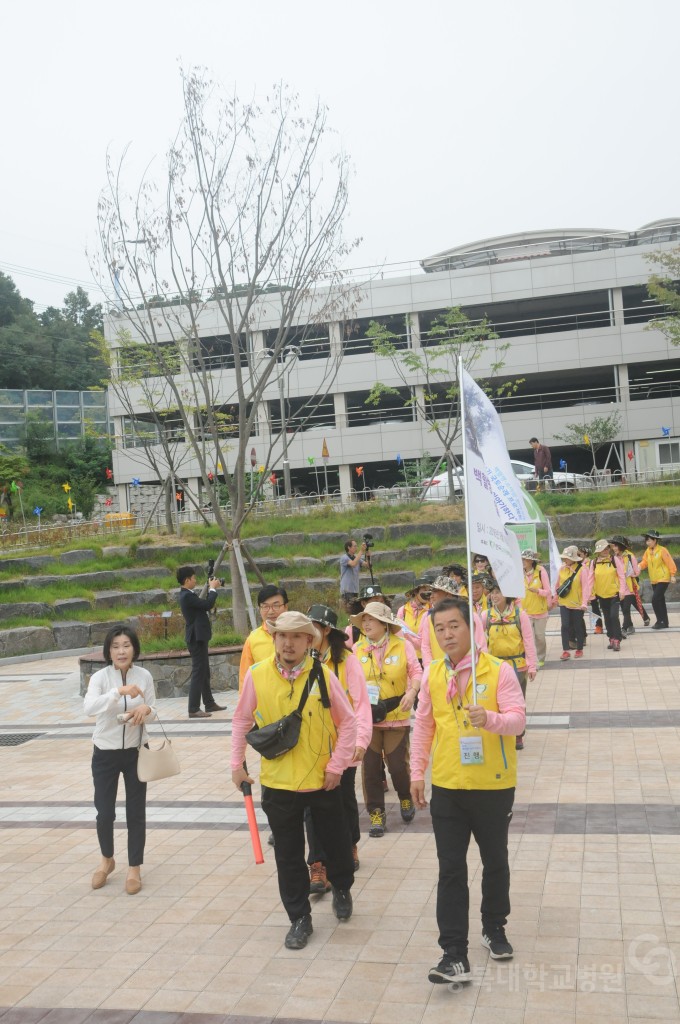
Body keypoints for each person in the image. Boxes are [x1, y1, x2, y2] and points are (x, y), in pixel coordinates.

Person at [410, 597, 525, 985]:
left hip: (492, 787)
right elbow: (424, 726)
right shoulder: (432, 676)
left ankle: (494, 927)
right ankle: (453, 953)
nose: (447, 634)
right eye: (439, 628)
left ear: (470, 626)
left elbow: (518, 721)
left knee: (495, 861)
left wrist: (490, 718)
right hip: (447, 787)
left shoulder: (498, 671)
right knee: (451, 870)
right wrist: (416, 772)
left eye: (454, 625)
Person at [231, 612, 357, 951]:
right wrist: (236, 764)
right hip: (278, 783)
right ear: (273, 639)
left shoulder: (323, 676)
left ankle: (342, 885)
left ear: (308, 642)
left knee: (337, 844)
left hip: (322, 781)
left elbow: (349, 724)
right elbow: (242, 720)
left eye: (297, 636)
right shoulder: (257, 676)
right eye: (282, 636)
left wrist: (337, 766)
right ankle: (299, 917)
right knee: (287, 855)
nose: (288, 643)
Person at [84, 626, 156, 896]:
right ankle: (107, 860)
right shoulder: (100, 678)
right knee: (105, 812)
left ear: (134, 648)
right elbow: (89, 708)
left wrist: (145, 709)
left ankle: (134, 867)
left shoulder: (145, 676)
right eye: (116, 646)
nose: (121, 651)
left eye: (126, 645)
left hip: (137, 750)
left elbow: (153, 708)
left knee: (136, 812)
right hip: (105, 752)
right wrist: (119, 692)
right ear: (109, 651)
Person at [305, 603, 373, 883]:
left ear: (326, 631)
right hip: (311, 747)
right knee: (311, 805)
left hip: (344, 745)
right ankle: (317, 862)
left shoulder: (348, 662)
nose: (306, 635)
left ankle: (349, 845)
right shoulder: (303, 661)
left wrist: (361, 739)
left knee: (344, 800)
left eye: (312, 630)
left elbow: (361, 703)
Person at [351, 601, 422, 837]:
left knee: (398, 766)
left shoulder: (403, 646)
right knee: (370, 769)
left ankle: (405, 797)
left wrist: (412, 693)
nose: (366, 623)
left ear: (384, 624)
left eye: (371, 619)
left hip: (395, 714)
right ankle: (376, 813)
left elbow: (416, 672)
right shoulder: (357, 649)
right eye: (364, 620)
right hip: (367, 718)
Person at [482, 582, 537, 750]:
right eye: (492, 592)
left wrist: (532, 665)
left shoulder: (520, 615)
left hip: (517, 666)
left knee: (517, 701)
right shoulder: (486, 616)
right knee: (495, 700)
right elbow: (480, 641)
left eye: (498, 592)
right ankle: (501, 731)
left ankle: (518, 734)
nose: (495, 596)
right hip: (495, 666)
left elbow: (528, 640)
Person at [177, 565, 224, 718]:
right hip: (195, 638)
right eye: (194, 578)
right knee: (199, 672)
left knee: (204, 671)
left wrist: (211, 588)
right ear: (187, 580)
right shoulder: (187, 596)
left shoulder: (189, 594)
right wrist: (213, 589)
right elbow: (207, 605)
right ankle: (193, 708)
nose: (195, 580)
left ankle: (209, 703)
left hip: (199, 637)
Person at [238, 585, 289, 689]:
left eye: (276, 605)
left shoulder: (299, 634)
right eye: (265, 606)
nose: (270, 611)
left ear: (286, 607)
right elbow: (245, 677)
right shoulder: (253, 639)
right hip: (264, 701)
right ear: (260, 609)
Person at [589, 540, 627, 651]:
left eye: (607, 548)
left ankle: (617, 639)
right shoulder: (594, 562)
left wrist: (622, 591)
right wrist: (589, 595)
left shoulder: (614, 560)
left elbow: (621, 576)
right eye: (603, 549)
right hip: (601, 595)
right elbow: (590, 580)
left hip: (614, 594)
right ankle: (611, 638)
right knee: (607, 618)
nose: (605, 551)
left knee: (614, 616)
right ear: (598, 551)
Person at [554, 546, 590, 661]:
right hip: (564, 602)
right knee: (565, 626)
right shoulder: (562, 569)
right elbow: (557, 585)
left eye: (567, 558)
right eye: (563, 557)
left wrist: (584, 603)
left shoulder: (582, 569)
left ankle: (579, 649)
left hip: (577, 604)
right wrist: (555, 599)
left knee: (577, 626)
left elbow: (585, 588)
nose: (564, 560)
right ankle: (566, 650)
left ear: (574, 558)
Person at [609, 535, 650, 632]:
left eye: (616, 546)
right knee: (626, 607)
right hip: (620, 587)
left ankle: (623, 629)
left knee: (626, 608)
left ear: (621, 546)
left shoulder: (630, 556)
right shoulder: (613, 558)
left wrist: (629, 573)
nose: (614, 548)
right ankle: (632, 625)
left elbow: (637, 572)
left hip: (630, 586)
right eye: (613, 546)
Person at [639, 529, 677, 629]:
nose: (647, 542)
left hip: (663, 579)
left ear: (655, 540)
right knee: (660, 600)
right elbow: (644, 562)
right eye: (646, 540)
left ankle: (659, 621)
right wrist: (638, 567)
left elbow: (670, 562)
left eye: (649, 540)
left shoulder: (662, 550)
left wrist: (672, 575)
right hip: (654, 580)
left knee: (655, 600)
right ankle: (665, 622)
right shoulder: (648, 551)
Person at [520, 549, 551, 668]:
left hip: (540, 611)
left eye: (526, 559)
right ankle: (532, 661)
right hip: (525, 611)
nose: (523, 561)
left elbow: (548, 591)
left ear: (531, 561)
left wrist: (538, 591)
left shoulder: (541, 571)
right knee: (529, 638)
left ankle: (541, 657)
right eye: (522, 559)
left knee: (540, 637)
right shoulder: (519, 572)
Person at [396, 577, 432, 657]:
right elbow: (398, 633)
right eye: (424, 591)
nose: (427, 594)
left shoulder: (432, 609)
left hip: (428, 656)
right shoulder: (403, 610)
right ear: (415, 592)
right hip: (408, 656)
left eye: (429, 591)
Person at [339, 538, 368, 612]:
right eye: (354, 546)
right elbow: (353, 564)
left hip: (355, 589)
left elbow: (367, 565)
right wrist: (361, 551)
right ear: (349, 547)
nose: (356, 548)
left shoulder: (356, 558)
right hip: (347, 590)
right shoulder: (344, 558)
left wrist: (368, 556)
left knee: (354, 611)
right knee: (349, 611)